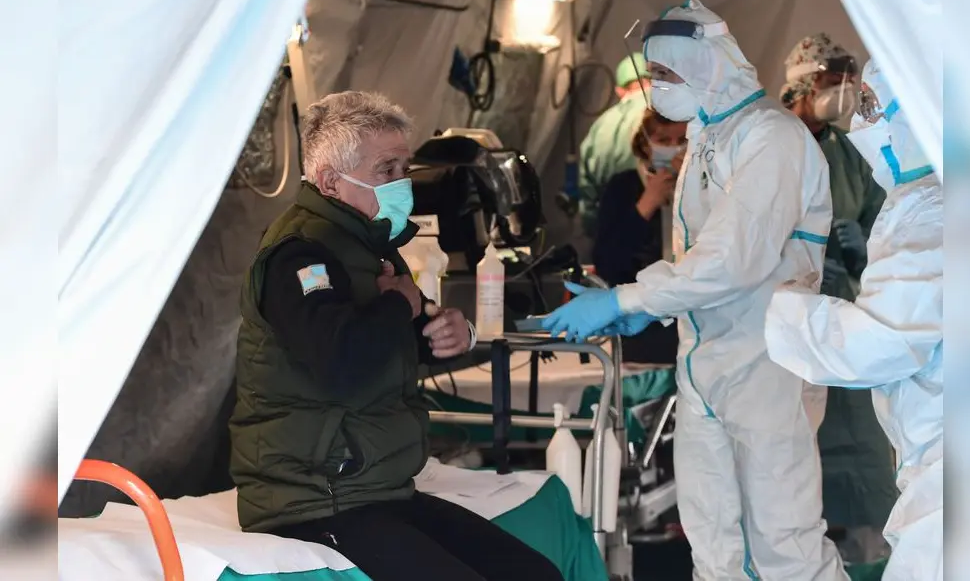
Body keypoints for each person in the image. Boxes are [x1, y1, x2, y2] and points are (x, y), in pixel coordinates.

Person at [543, 1, 847, 579]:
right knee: (711, 538)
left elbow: (731, 260)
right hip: (705, 364)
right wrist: (647, 307)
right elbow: (695, 256)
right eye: (654, 75)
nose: (658, 88)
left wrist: (627, 299)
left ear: (712, 67)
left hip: (766, 367)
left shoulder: (770, 138)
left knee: (783, 542)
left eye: (669, 76)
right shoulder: (708, 135)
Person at [229, 91, 564, 581]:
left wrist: (443, 335)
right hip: (310, 497)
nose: (402, 184)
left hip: (378, 488)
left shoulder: (369, 244)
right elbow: (339, 360)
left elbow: (389, 343)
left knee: (535, 574)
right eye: (387, 170)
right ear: (329, 181)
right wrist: (399, 304)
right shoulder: (298, 255)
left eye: (405, 169)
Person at [765, 59, 943, 581]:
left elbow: (878, 344)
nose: (861, 120)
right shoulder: (922, 201)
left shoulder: (933, 214)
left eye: (870, 104)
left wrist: (771, 306)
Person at [781, 34, 897, 565]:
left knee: (865, 450)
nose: (844, 95)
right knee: (799, 458)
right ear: (804, 84)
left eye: (849, 84)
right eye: (832, 84)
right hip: (787, 326)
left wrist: (860, 251)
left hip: (848, 317)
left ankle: (870, 562)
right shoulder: (773, 145)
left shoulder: (852, 154)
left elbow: (889, 226)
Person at [592, 108, 685, 363]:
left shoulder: (707, 188)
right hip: (640, 323)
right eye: (664, 141)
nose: (675, 149)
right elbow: (607, 261)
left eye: (683, 141)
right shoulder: (622, 188)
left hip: (692, 316)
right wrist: (646, 204)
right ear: (645, 143)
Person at [578, 52, 652, 237]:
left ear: (619, 90)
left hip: (613, 227)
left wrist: (598, 233)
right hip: (659, 224)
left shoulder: (601, 126)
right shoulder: (663, 111)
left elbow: (587, 195)